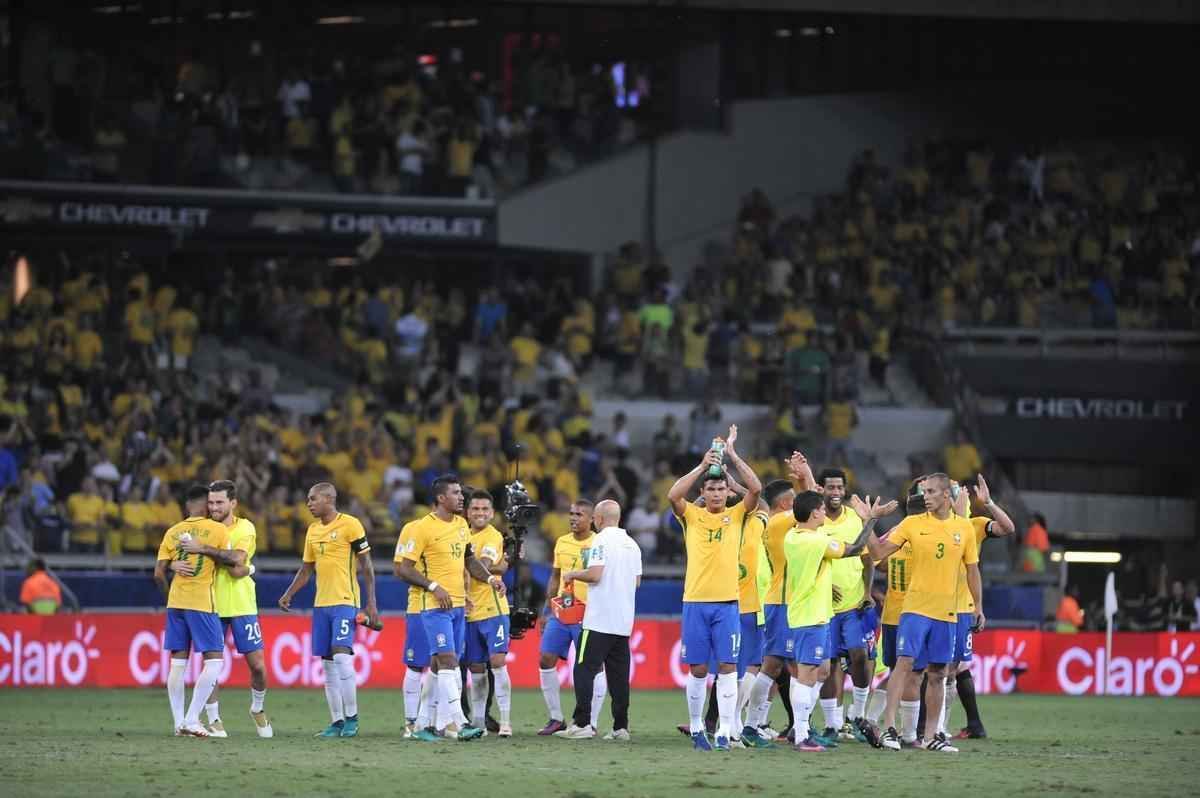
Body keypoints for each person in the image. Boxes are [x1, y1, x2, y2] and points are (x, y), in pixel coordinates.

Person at [867, 473, 984, 753]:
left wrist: (978, 606)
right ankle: (889, 729)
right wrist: (869, 520)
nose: (926, 496)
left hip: (947, 613)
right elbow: (878, 553)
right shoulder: (912, 524)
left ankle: (932, 735)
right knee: (904, 665)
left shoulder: (964, 528)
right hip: (915, 609)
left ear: (945, 495)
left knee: (939, 673)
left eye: (931, 491)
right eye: (924, 492)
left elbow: (972, 570)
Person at [667, 424, 761, 751]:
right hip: (695, 602)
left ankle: (723, 730)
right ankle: (697, 728)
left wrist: (732, 454)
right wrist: (702, 466)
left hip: (728, 604)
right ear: (703, 493)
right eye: (712, 489)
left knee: (728, 667)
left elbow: (756, 489)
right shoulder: (691, 515)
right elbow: (673, 495)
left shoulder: (738, 515)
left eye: (722, 488)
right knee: (697, 669)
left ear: (728, 492)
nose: (717, 493)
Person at [393, 475, 503, 741]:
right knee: (448, 661)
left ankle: (422, 724)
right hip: (433, 606)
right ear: (441, 498)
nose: (462, 497)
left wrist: (490, 579)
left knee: (437, 664)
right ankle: (459, 723)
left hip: (457, 606)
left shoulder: (462, 525)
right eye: (456, 493)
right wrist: (433, 587)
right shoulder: (422, 528)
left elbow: (469, 560)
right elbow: (403, 569)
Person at [782, 491, 884, 751]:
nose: (825, 513)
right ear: (814, 513)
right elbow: (856, 549)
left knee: (824, 670)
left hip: (815, 613)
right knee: (807, 674)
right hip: (810, 616)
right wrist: (871, 519)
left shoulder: (792, 536)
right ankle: (801, 734)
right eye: (821, 509)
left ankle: (802, 729)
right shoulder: (816, 541)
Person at [278, 482, 379, 739]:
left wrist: (371, 603)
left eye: (313, 499)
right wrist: (289, 593)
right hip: (321, 605)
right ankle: (336, 721)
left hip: (345, 601)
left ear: (328, 499)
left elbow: (367, 565)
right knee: (328, 665)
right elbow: (306, 569)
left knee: (342, 657)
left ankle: (352, 718)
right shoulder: (312, 530)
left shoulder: (351, 525)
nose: (308, 504)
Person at [177, 480, 272, 738]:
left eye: (219, 502)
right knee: (212, 666)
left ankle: (257, 708)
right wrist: (174, 565)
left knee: (258, 666)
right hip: (210, 604)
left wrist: (205, 550)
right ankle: (214, 719)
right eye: (211, 502)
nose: (214, 507)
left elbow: (238, 561)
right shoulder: (202, 528)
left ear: (233, 503)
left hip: (242, 604)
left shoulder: (245, 527)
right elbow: (184, 557)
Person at [555, 499, 642, 740]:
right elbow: (636, 582)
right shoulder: (632, 544)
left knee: (584, 669)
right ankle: (620, 727)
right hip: (623, 622)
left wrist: (572, 574)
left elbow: (595, 575)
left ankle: (582, 723)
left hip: (599, 620)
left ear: (600, 518)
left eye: (594, 517)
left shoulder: (600, 540)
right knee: (618, 677)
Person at [152, 484, 235, 737]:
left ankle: (179, 723)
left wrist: (170, 594)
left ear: (187, 505)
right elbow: (232, 559)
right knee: (214, 661)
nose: (213, 507)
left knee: (178, 663)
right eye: (210, 503)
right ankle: (191, 719)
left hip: (176, 603)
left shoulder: (173, 531)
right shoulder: (218, 529)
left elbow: (158, 574)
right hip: (202, 603)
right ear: (205, 504)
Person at [943, 474, 1014, 740]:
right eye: (955, 491)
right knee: (951, 667)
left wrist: (989, 503)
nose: (961, 494)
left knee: (950, 668)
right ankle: (969, 725)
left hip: (962, 607)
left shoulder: (976, 525)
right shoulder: (937, 526)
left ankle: (937, 727)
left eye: (961, 490)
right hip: (936, 605)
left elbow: (1007, 528)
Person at [536, 498, 608, 736]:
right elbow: (555, 577)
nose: (573, 518)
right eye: (572, 514)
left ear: (592, 519)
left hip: (589, 614)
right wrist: (546, 610)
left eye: (579, 514)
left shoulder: (599, 543)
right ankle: (556, 718)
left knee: (594, 666)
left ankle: (591, 722)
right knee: (546, 659)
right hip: (561, 612)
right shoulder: (562, 542)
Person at [814, 467, 874, 744]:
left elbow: (867, 558)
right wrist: (823, 584)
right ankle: (831, 724)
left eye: (840, 487)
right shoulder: (815, 520)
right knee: (828, 664)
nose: (836, 492)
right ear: (822, 489)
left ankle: (858, 714)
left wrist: (868, 592)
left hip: (854, 604)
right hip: (824, 607)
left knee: (859, 656)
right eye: (831, 487)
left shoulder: (854, 518)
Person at [462, 490, 514, 737]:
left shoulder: (492, 536)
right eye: (475, 509)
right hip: (470, 612)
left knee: (497, 662)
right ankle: (478, 722)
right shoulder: (462, 535)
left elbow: (481, 565)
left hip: (493, 609)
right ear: (467, 512)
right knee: (476, 668)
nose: (480, 513)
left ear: (492, 514)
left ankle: (505, 721)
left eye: (485, 509)